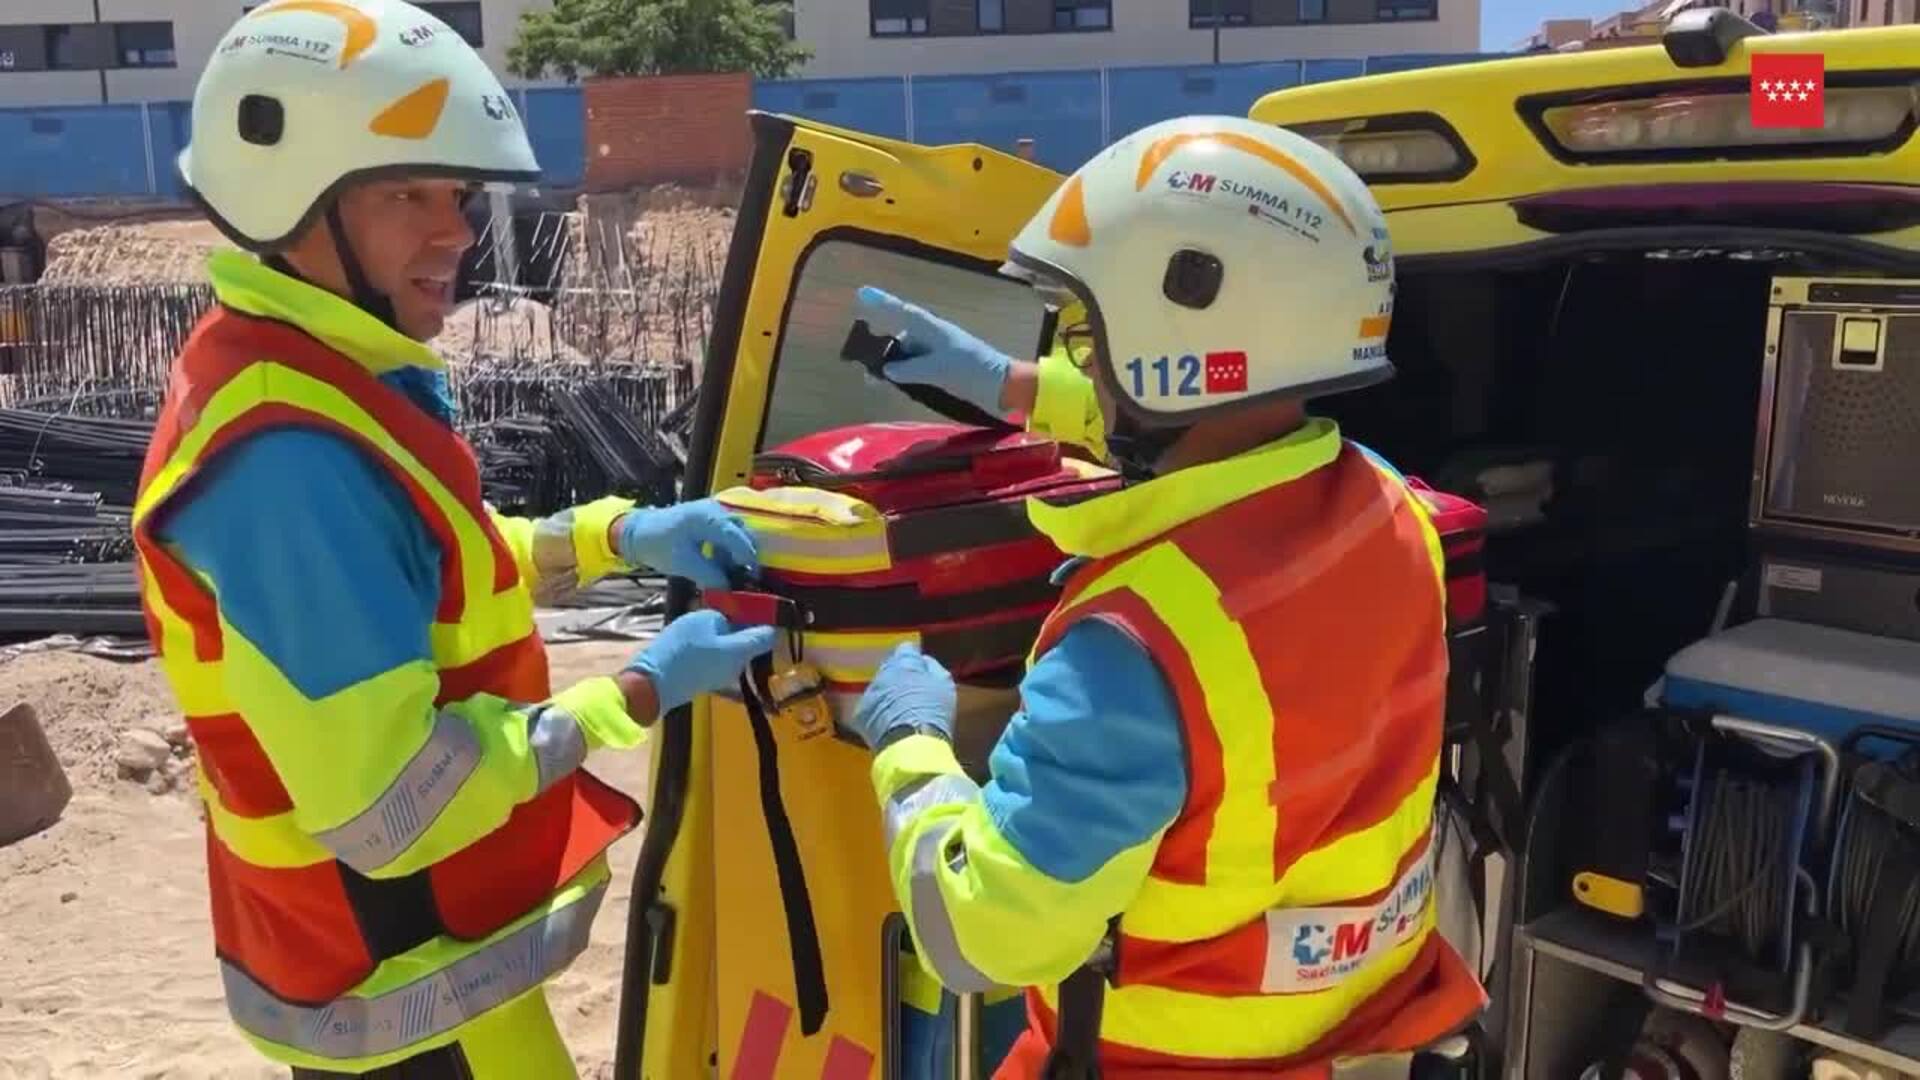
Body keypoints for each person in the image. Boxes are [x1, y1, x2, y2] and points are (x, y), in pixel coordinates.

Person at [129, 2, 773, 1076]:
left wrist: (622, 536)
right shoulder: (289, 463)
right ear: (291, 205)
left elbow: (443, 565)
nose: (459, 232)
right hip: (401, 995)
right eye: (406, 195)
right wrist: (637, 692)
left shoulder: (317, 375)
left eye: (461, 195)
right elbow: (392, 803)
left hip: (433, 975)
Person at [843, 115, 1487, 1077]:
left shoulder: (1131, 655)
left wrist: (909, 746)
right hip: (1363, 1039)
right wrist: (1013, 386)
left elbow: (977, 936)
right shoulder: (1391, 513)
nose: (1088, 364)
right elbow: (1225, 423)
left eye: (1093, 339)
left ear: (1178, 327)